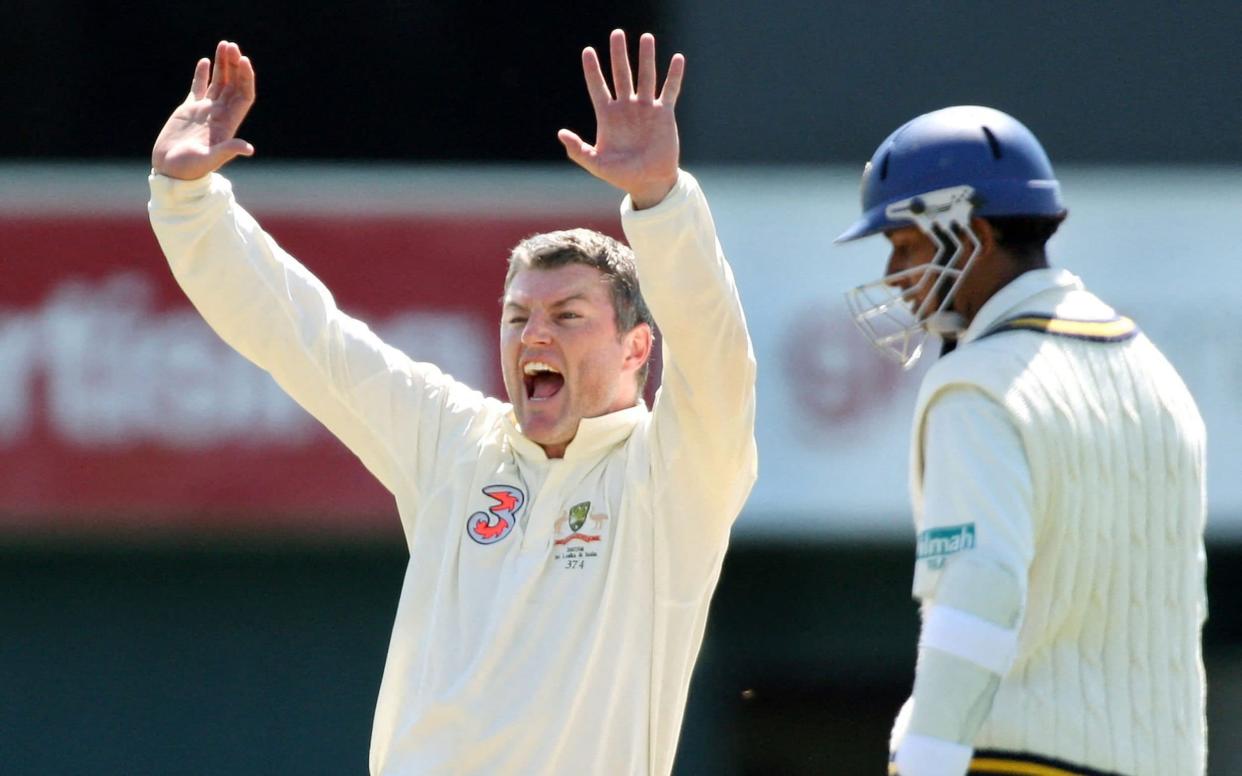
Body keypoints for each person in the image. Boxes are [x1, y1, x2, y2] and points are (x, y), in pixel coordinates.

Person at [147, 33, 756, 776]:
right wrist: (187, 203)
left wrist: (662, 204)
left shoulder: (673, 476)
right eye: (516, 315)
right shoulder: (456, 442)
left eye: (567, 316)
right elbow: (302, 334)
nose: (533, 334)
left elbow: (718, 357)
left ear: (636, 350)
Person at [835, 106, 1207, 776]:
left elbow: (979, 590)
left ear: (971, 234)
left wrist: (925, 762)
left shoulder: (978, 386)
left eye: (905, 244)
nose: (893, 273)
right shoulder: (1158, 377)